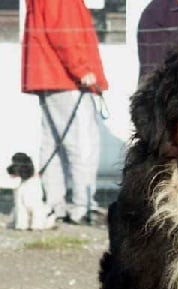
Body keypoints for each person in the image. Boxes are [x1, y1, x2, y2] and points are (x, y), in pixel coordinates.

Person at [21, 0, 109, 224]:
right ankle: (83, 206)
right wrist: (82, 69)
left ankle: (54, 205)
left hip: (49, 74)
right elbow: (63, 32)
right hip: (66, 78)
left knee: (53, 142)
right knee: (82, 142)